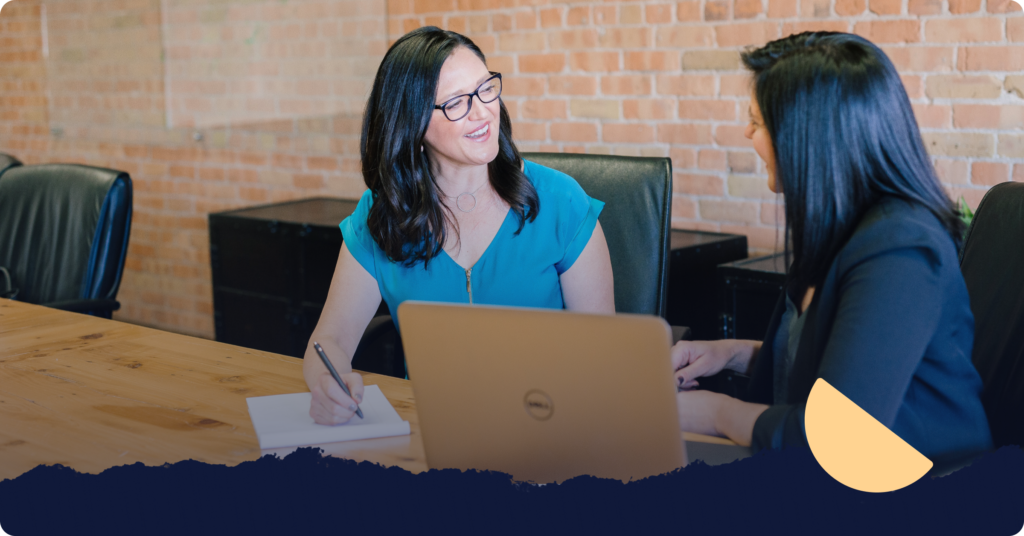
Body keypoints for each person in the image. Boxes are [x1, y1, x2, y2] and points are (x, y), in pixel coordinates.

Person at [672, 32, 992, 465]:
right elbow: (832, 363)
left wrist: (714, 413)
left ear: (808, 136)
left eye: (758, 121)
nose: (745, 132)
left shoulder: (901, 249)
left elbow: (843, 436)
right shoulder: (839, 229)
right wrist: (728, 353)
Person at [303, 27, 615, 425]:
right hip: (431, 427)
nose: (483, 111)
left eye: (486, 89)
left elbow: (604, 352)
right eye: (455, 103)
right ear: (412, 124)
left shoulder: (561, 201)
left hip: (549, 422)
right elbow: (328, 340)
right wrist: (326, 386)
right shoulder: (381, 216)